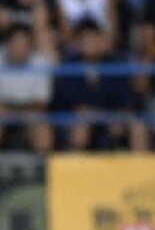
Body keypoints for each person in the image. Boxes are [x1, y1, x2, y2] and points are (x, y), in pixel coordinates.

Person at [0, 23, 56, 152]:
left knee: (44, 132)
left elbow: (42, 103)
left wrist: (12, 111)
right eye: (17, 43)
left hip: (28, 113)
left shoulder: (41, 62)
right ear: (7, 45)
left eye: (25, 44)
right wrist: (5, 111)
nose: (21, 48)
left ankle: (41, 170)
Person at [53, 20, 132, 150]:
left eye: (95, 38)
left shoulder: (114, 65)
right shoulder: (68, 67)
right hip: (76, 118)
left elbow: (124, 98)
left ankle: (134, 168)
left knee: (136, 127)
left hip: (108, 114)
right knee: (81, 128)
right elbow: (66, 100)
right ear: (78, 43)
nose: (92, 44)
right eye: (87, 40)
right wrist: (83, 111)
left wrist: (110, 113)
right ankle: (76, 168)